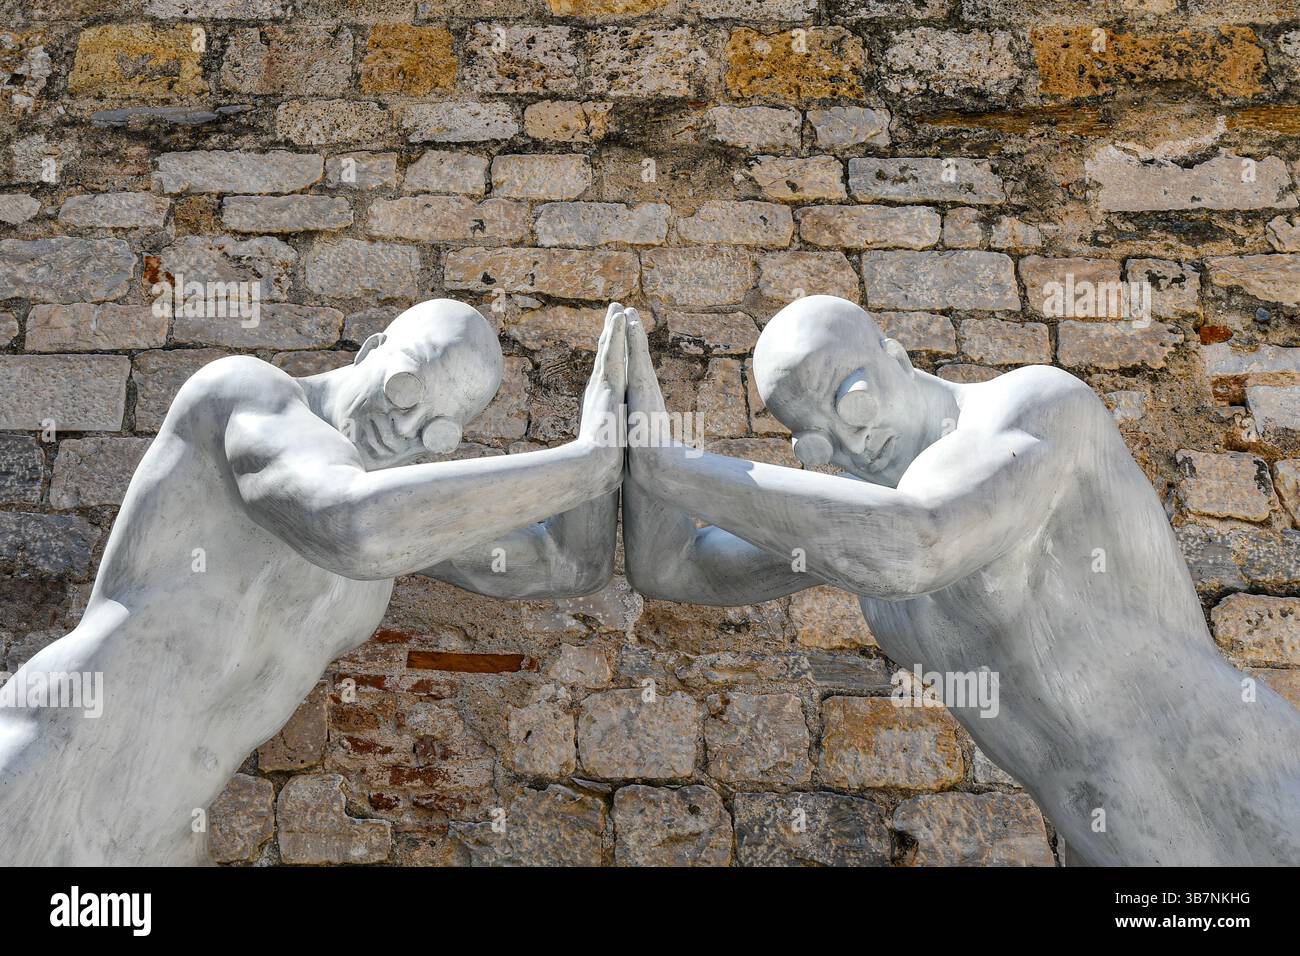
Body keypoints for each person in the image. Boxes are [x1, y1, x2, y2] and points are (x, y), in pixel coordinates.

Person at [622, 294, 1300, 866]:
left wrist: (672, 468)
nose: (849, 446)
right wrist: (634, 431)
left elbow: (923, 541)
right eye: (815, 441)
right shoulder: (852, 528)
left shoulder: (1034, 409)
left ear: (895, 356)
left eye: (851, 401)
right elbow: (671, 566)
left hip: (1246, 784)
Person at [0, 299, 628, 865]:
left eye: (439, 429)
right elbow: (348, 521)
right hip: (46, 777)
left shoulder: (401, 518)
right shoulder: (244, 396)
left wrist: (610, 439)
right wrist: (581, 466)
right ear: (371, 347)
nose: (405, 431)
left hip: (161, 837)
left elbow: (571, 565)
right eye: (405, 388)